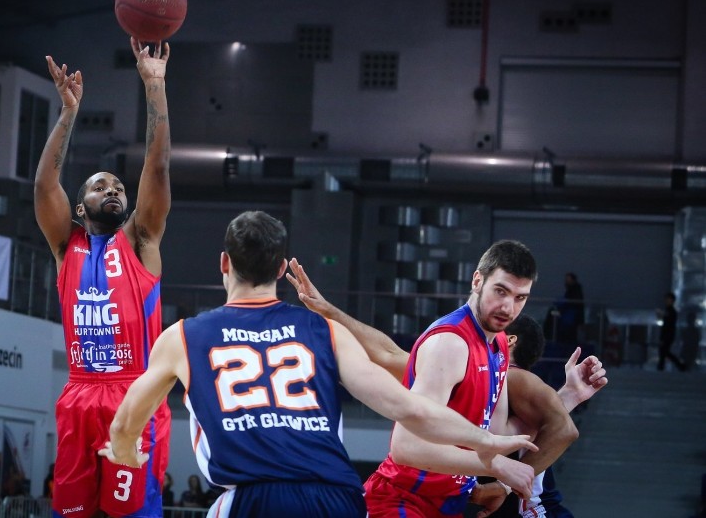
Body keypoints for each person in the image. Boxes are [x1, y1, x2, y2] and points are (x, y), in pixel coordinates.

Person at [99, 211, 537, 518]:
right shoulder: (327, 332)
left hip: (255, 497)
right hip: (338, 499)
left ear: (224, 264)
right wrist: (489, 446)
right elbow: (412, 409)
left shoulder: (181, 336)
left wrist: (125, 454)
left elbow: (124, 425)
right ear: (280, 267)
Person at [289, 242, 589, 518]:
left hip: (449, 502)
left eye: (519, 298)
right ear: (477, 281)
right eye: (501, 291)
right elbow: (406, 448)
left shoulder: (496, 344)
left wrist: (567, 397)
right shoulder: (450, 344)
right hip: (402, 499)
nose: (508, 307)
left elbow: (495, 432)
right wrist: (495, 465)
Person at [34, 38, 173, 518]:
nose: (112, 189)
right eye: (99, 186)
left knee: (131, 512)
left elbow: (156, 165)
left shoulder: (140, 242)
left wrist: (154, 86)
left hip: (132, 392)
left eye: (117, 186)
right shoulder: (64, 246)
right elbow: (44, 185)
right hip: (78, 393)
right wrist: (68, 113)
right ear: (80, 207)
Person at [466, 315, 608, 518]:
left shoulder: (513, 376)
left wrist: (505, 485)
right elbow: (533, 432)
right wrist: (568, 396)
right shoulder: (497, 380)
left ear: (508, 340)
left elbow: (564, 430)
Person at [658, 292, 686, 371]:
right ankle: (680, 366)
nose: (666, 301)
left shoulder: (671, 311)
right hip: (668, 334)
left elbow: (668, 324)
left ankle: (680, 366)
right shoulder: (669, 310)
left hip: (668, 334)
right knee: (664, 352)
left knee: (664, 352)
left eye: (667, 299)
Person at [554, 273, 584, 345]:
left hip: (571, 317)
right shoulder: (571, 290)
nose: (566, 281)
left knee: (569, 336)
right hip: (569, 317)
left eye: (568, 279)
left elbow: (573, 302)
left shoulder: (575, 291)